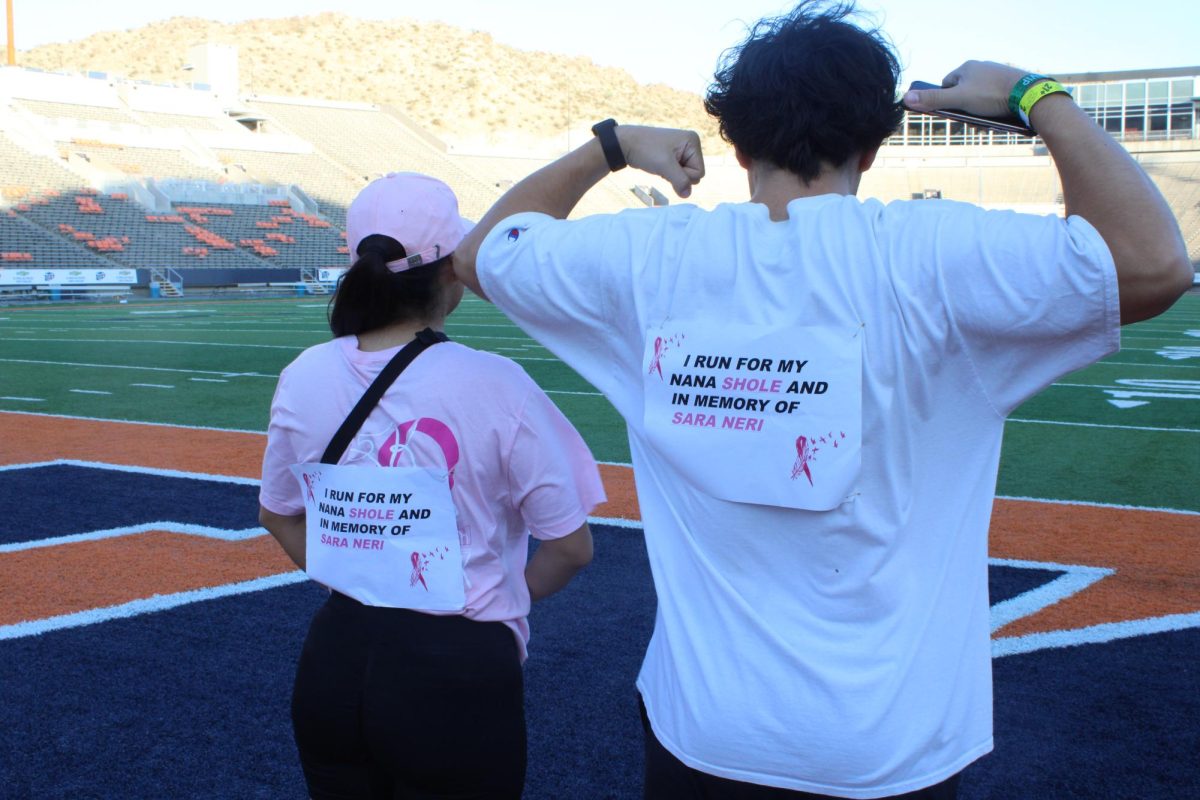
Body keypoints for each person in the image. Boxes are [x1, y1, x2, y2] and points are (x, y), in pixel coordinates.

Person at [450, 3, 1193, 798]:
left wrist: (612, 147)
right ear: (874, 146)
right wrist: (1035, 96)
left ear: (735, 143)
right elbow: (1154, 264)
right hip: (885, 743)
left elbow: (481, 252)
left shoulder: (648, 257)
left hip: (705, 730)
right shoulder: (933, 253)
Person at [258, 171, 604, 800]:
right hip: (455, 667)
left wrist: (354, 568)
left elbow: (278, 513)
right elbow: (572, 546)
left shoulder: (303, 373)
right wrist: (494, 595)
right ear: (451, 270)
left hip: (336, 654)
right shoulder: (495, 383)